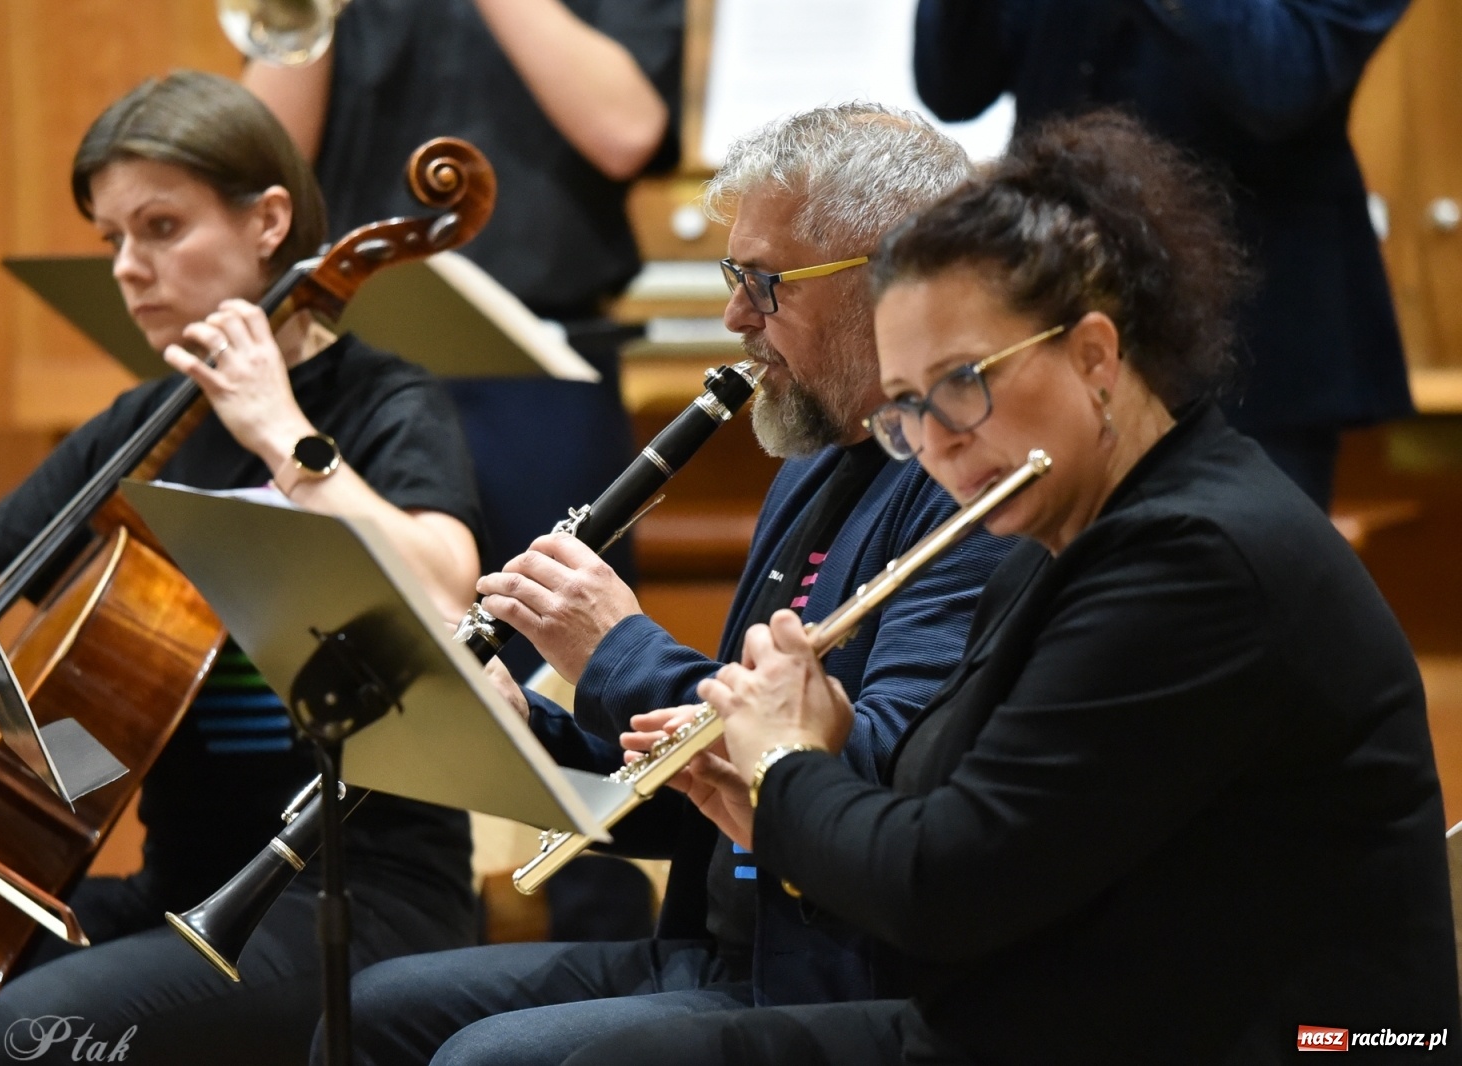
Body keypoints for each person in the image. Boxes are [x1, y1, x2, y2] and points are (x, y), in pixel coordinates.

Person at [567, 112, 1461, 1066]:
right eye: (906, 405)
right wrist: (795, 767)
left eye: (961, 385)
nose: (937, 443)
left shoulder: (1192, 562)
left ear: (1095, 356)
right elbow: (941, 824)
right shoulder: (1064, 528)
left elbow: (941, 887)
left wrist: (786, 770)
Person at [312, 103, 1014, 1066]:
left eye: (765, 285)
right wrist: (521, 730)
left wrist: (616, 649)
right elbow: (706, 770)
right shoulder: (814, 459)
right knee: (376, 1009)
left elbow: (875, 768)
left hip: (839, 970)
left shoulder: (967, 488)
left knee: (489, 1060)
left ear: (890, 280)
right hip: (718, 943)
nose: (736, 316)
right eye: (736, 278)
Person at [0, 71, 487, 1064]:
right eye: (112, 238)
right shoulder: (143, 424)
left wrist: (281, 431)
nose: (127, 267)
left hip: (349, 893)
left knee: (32, 1028)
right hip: (185, 891)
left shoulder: (384, 406)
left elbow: (445, 590)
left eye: (160, 227)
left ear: (268, 221)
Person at [245, 0, 685, 678]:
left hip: (540, 374)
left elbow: (626, 131)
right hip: (351, 361)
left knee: (557, 660)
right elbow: (256, 166)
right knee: (365, 666)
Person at [912, 0, 1414, 510]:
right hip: (1057, 313)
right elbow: (952, 86)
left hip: (1256, 341)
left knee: (1232, 574)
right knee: (1062, 575)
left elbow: (1280, 80)